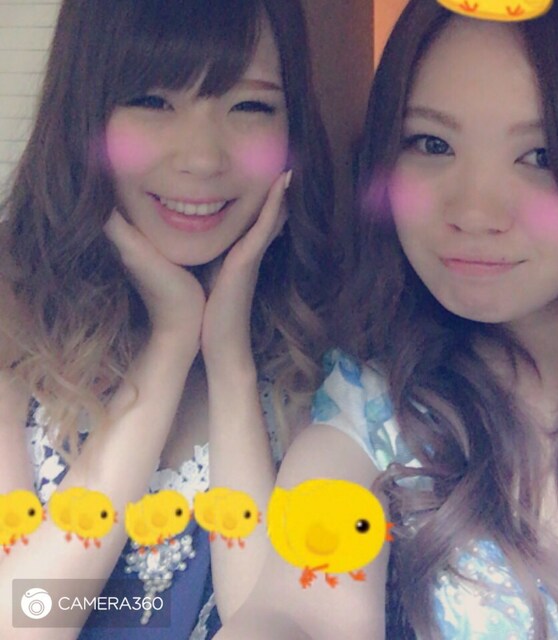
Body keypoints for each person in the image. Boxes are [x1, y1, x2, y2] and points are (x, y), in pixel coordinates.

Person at [213, 0, 558, 638]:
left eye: (541, 155)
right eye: (432, 144)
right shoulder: (378, 409)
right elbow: (295, 610)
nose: (473, 211)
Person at [0, 0, 334, 638]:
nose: (202, 158)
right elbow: (26, 620)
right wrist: (172, 343)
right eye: (152, 101)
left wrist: (230, 363)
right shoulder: (10, 306)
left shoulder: (326, 344)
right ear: (84, 114)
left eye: (250, 106)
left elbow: (271, 621)